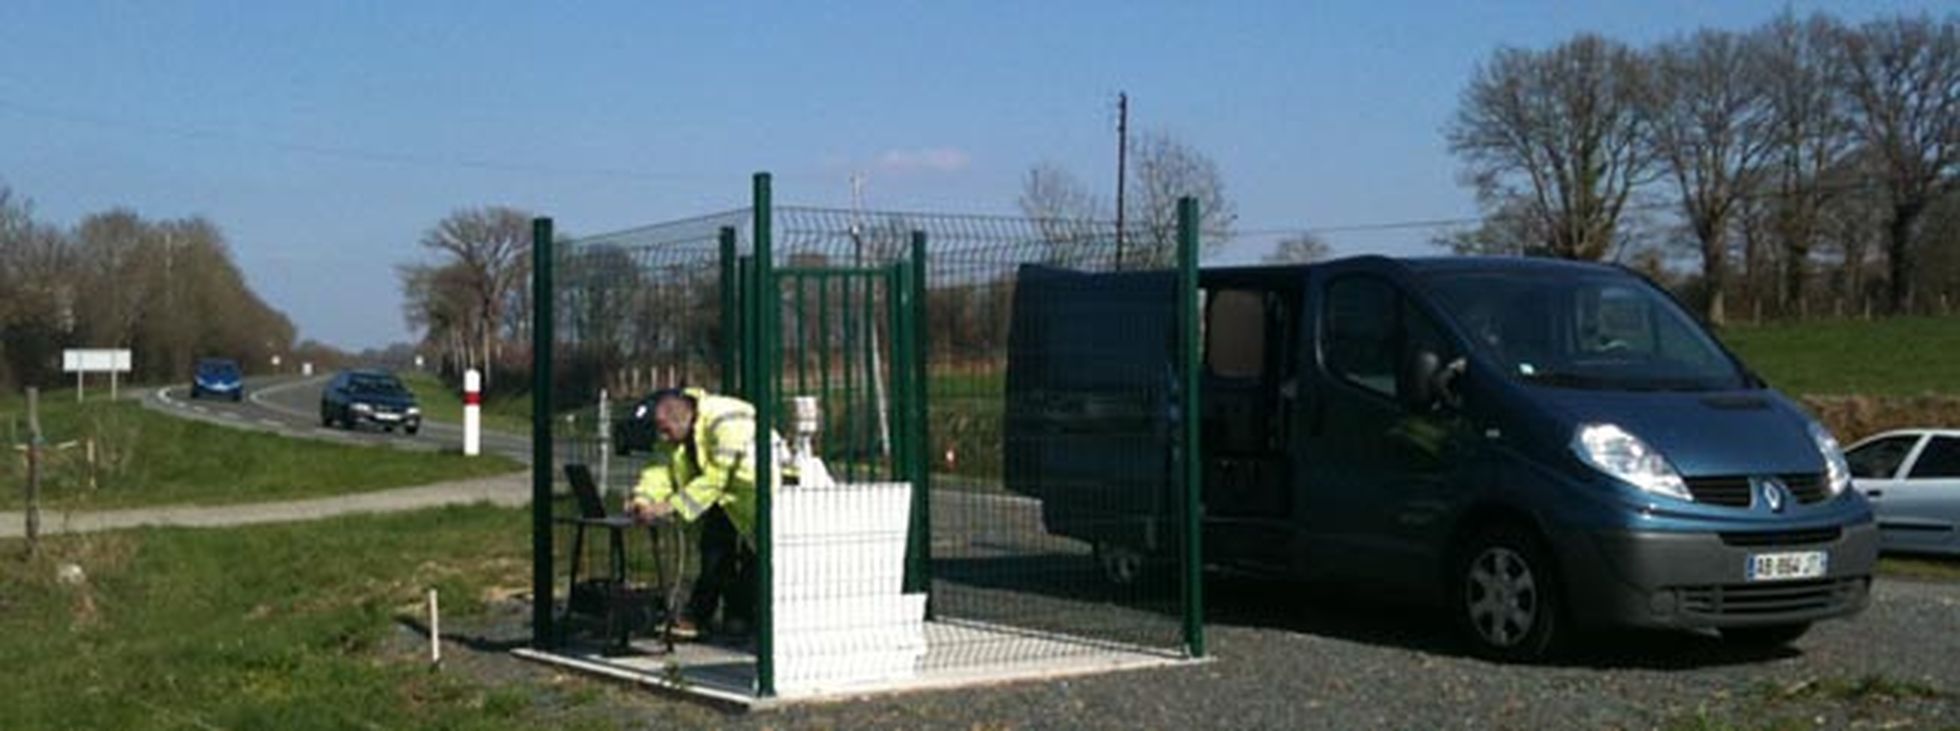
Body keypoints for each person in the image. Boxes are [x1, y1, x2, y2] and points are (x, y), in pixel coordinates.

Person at [627, 387, 783, 639]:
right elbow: (660, 469)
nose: (663, 437)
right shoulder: (677, 434)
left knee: (757, 560)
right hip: (725, 501)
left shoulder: (726, 419)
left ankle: (740, 618)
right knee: (714, 555)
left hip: (760, 495)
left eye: (665, 430)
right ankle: (709, 618)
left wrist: (670, 506)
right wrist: (643, 498)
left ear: (680, 416)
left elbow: (717, 477)